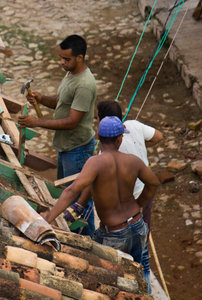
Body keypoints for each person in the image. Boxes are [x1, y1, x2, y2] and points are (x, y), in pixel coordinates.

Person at [43, 116, 160, 285]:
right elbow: (153, 183)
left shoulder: (95, 163)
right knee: (138, 276)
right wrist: (139, 204)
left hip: (114, 233)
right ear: (120, 138)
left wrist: (49, 217)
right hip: (137, 225)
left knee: (110, 281)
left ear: (98, 137)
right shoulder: (133, 161)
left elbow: (72, 189)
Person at [18, 34, 97, 236]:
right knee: (67, 197)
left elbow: (72, 121)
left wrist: (38, 122)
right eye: (61, 58)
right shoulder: (70, 74)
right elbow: (62, 102)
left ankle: (87, 241)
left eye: (66, 59)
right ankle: (70, 233)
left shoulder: (85, 84)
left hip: (77, 150)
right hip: (66, 147)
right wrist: (42, 99)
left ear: (80, 57)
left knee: (80, 202)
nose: (62, 63)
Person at [95, 100, 163, 292]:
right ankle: (146, 288)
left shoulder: (108, 149)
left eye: (97, 117)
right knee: (142, 244)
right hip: (144, 194)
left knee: (124, 255)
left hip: (129, 200)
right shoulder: (134, 125)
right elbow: (158, 136)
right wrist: (141, 146)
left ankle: (134, 288)